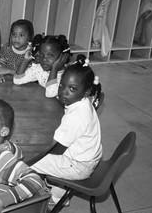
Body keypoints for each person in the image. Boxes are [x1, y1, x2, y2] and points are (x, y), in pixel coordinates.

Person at [31, 55, 102, 206]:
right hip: (87, 157)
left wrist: (35, 142)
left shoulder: (77, 116)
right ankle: (58, 196)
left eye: (72, 88)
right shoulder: (82, 102)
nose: (63, 92)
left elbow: (57, 150)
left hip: (77, 166)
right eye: (62, 85)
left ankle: (38, 198)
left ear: (87, 91)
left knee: (26, 161)